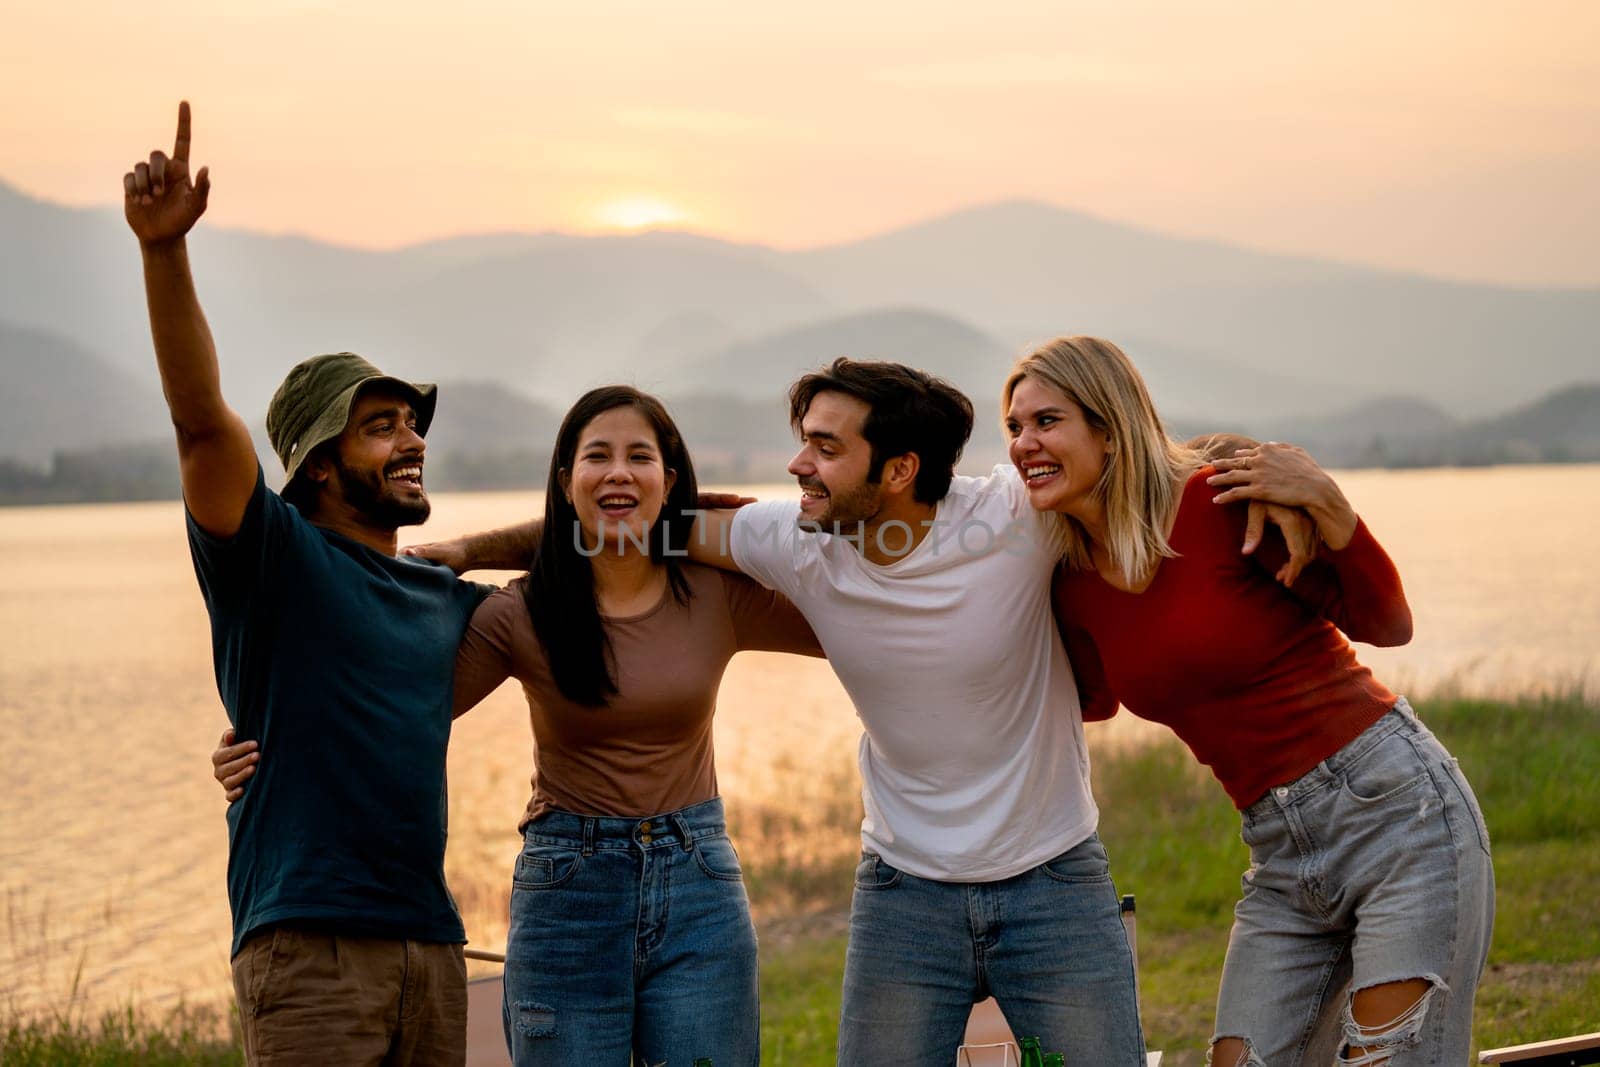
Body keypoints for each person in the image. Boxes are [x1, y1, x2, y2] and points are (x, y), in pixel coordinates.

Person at [421, 358, 1316, 1064]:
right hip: (901, 894)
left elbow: (1126, 474)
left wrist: (1281, 479)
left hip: (1054, 878)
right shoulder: (791, 537)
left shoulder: (1017, 516)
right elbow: (618, 521)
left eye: (823, 446)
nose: (796, 464)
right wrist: (463, 548)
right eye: (801, 440)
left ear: (897, 468)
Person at [1005, 336, 1494, 1067]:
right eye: (1013, 426)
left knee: (1390, 1057)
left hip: (1397, 813)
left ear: (1109, 428)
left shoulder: (1217, 502)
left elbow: (1388, 623)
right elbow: (1085, 700)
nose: (1023, 443)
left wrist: (1327, 500)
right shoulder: (1073, 581)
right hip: (1279, 851)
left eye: (1046, 420)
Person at [124, 102, 493, 1063]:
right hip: (309, 949)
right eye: (381, 424)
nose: (412, 438)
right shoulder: (274, 560)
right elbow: (203, 422)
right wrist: (164, 254)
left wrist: (465, 551)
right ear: (319, 463)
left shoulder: (446, 604)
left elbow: (586, 592)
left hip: (433, 946)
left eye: (414, 421)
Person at [451, 386, 822, 1065]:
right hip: (568, 897)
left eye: (639, 456)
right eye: (597, 455)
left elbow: (863, 631)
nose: (619, 471)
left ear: (669, 479)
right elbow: (397, 715)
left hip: (699, 889)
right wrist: (265, 748)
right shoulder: (519, 613)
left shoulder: (720, 592)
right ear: (566, 482)